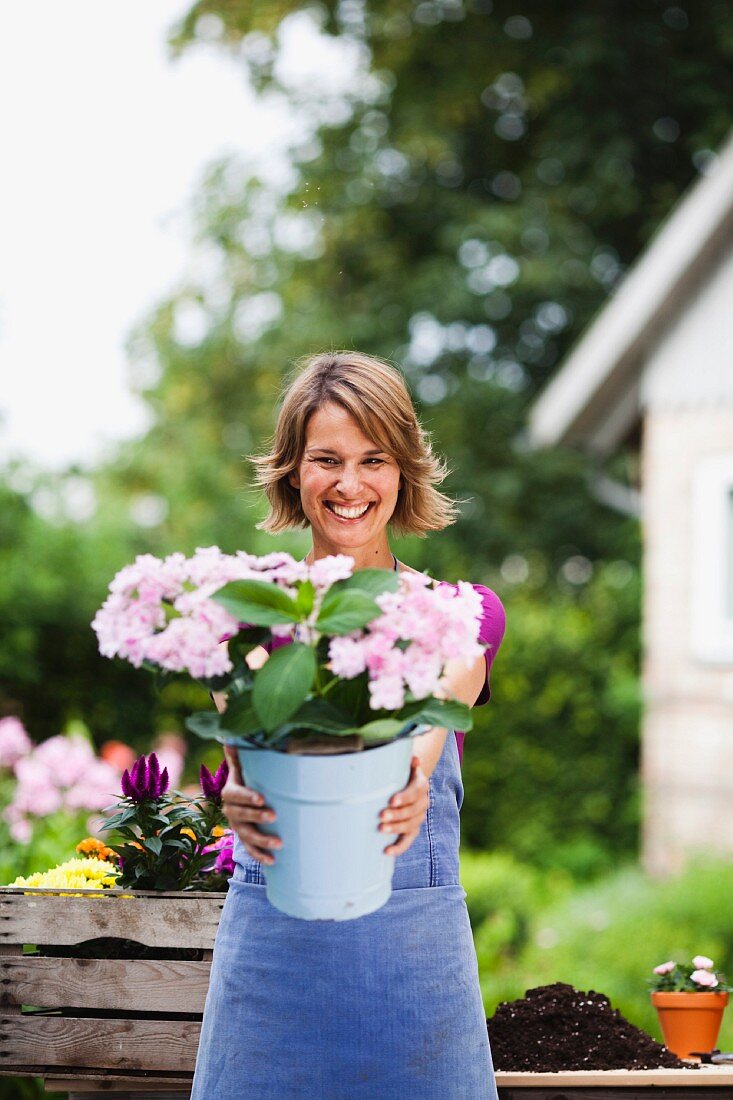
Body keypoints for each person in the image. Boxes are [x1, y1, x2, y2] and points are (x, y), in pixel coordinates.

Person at [191, 351, 506, 1099]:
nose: (350, 485)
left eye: (374, 460)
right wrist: (235, 796)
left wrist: (416, 775)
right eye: (325, 460)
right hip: (274, 963)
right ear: (292, 473)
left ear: (403, 471)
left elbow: (446, 695)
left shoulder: (462, 612)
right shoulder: (241, 615)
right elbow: (239, 758)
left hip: (413, 968)